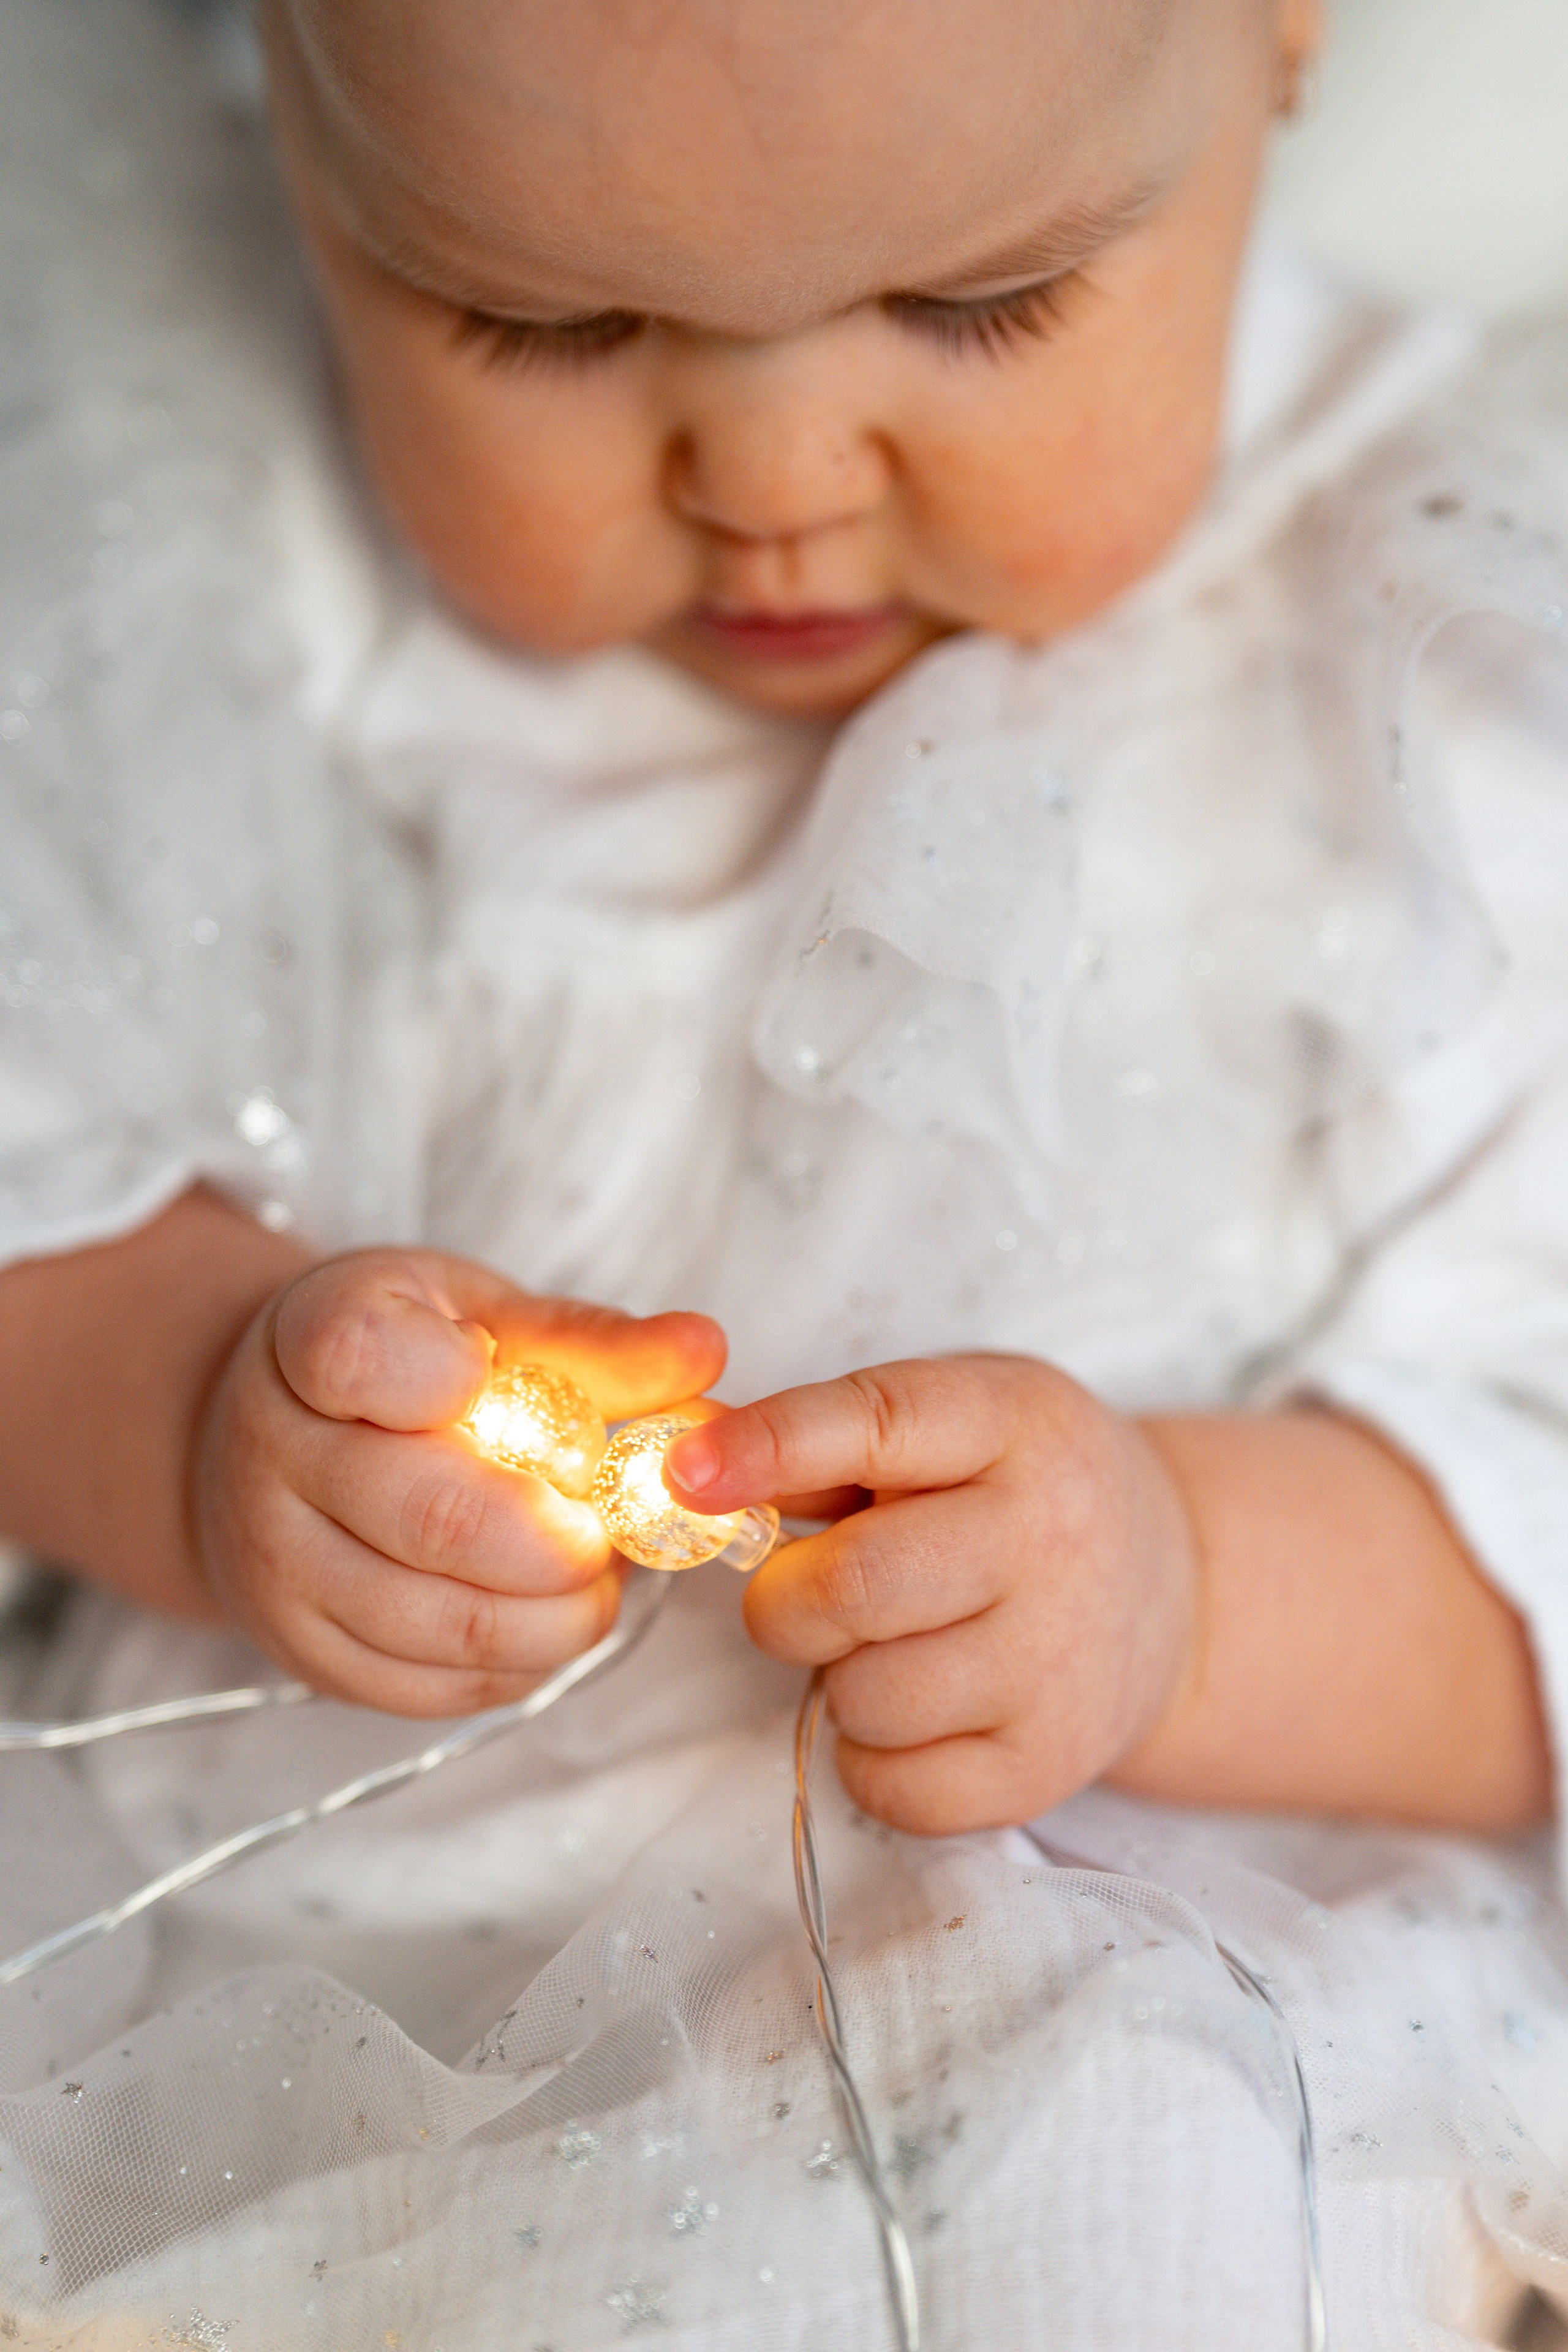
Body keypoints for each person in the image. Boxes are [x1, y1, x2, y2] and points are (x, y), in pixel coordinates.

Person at [0, 0, 1566, 2342]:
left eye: (978, 307)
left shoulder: (1437, 653)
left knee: (1129, 2227)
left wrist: (1181, 1587)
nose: (775, 472)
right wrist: (215, 1410)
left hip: (1112, 1972)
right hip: (320, 1964)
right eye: (538, 321)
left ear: (1277, 38)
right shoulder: (187, 551)